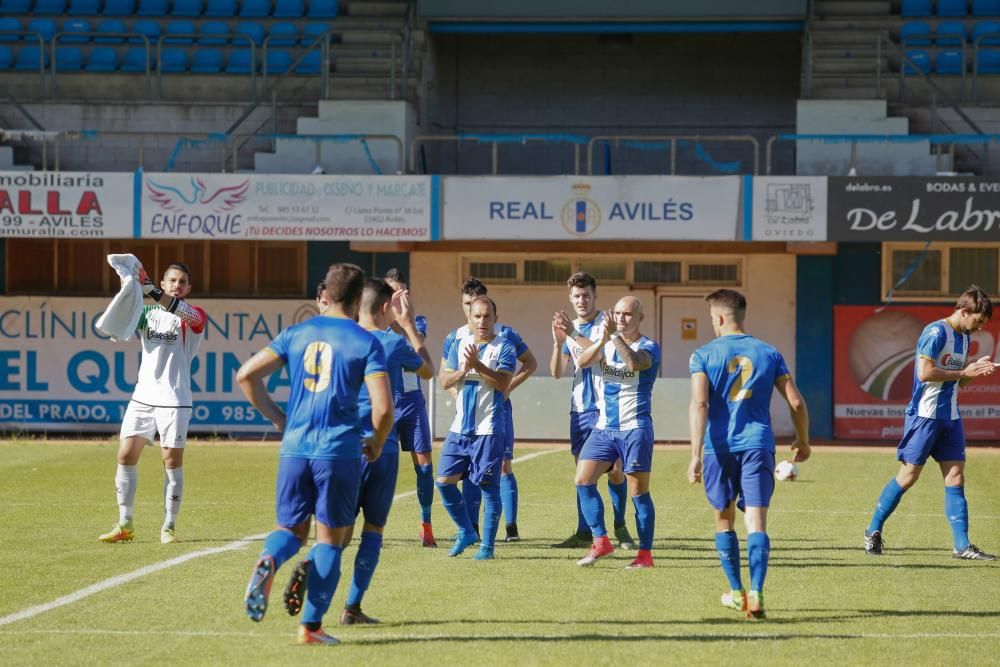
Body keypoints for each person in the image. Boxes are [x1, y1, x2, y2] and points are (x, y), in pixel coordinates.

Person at [237, 263, 393, 646]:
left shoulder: (296, 333)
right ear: (358, 300)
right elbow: (384, 409)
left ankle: (269, 560)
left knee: (289, 531)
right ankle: (310, 627)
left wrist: (278, 418)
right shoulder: (365, 341)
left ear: (327, 294)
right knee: (329, 540)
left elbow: (246, 375)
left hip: (295, 448)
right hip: (338, 452)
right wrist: (374, 440)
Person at [284, 278, 435, 626]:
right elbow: (428, 370)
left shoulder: (339, 339)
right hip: (381, 445)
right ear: (386, 308)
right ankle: (351, 608)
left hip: (342, 447)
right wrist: (409, 324)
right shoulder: (390, 341)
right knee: (373, 531)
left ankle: (313, 569)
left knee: (339, 532)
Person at [687, 289, 811, 620]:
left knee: (724, 519)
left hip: (719, 448)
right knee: (755, 521)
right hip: (758, 444)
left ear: (719, 318)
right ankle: (756, 592)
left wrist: (695, 454)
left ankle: (737, 592)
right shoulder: (769, 352)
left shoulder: (702, 355)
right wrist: (803, 441)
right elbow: (796, 402)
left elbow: (700, 403)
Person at [864, 285, 997, 561]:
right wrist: (963, 370)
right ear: (963, 311)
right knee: (909, 476)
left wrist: (973, 371)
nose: (980, 328)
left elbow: (959, 379)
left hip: (950, 417)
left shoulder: (963, 338)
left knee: (956, 477)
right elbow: (924, 373)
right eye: (978, 321)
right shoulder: (935, 332)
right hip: (925, 416)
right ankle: (872, 530)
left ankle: (962, 546)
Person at [98, 262, 207, 545]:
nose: (177, 285)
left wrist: (151, 289)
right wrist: (129, 286)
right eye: (172, 280)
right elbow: (123, 318)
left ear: (189, 288)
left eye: (183, 282)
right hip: (143, 396)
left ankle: (168, 526)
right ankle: (125, 523)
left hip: (175, 400)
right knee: (125, 456)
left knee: (171, 463)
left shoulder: (193, 316)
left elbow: (180, 310)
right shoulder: (147, 314)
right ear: (165, 281)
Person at [441, 277, 537, 542]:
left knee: (503, 466)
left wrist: (507, 388)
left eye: (478, 304)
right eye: (467, 305)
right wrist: (460, 397)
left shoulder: (505, 335)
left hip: (497, 411)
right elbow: (444, 376)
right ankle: (471, 526)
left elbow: (530, 363)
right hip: (468, 412)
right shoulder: (455, 337)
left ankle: (511, 527)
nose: (474, 312)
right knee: (468, 471)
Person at [550, 272, 636, 550]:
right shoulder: (570, 327)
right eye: (576, 296)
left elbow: (597, 356)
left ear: (595, 295)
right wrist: (557, 342)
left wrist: (573, 335)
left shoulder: (606, 323)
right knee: (582, 474)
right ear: (570, 299)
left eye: (586, 295)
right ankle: (584, 531)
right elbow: (556, 372)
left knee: (615, 471)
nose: (581, 300)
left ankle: (621, 526)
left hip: (607, 406)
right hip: (580, 409)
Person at [574, 296, 660, 569]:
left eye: (627, 314)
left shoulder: (649, 346)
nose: (621, 318)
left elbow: (634, 363)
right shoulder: (608, 342)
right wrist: (601, 340)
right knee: (583, 480)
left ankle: (645, 555)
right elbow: (584, 362)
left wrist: (614, 338)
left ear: (640, 318)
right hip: (604, 429)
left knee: (638, 491)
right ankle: (601, 541)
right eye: (618, 313)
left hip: (635, 428)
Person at [437, 296, 517, 560]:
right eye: (477, 316)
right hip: (460, 428)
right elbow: (444, 380)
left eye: (487, 316)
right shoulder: (457, 344)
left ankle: (487, 548)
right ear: (469, 318)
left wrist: (478, 366)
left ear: (496, 317)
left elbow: (503, 383)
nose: (482, 321)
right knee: (444, 482)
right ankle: (466, 531)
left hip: (489, 429)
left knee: (488, 486)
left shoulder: (504, 347)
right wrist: (462, 372)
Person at [383, 268, 438, 547]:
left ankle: (426, 524)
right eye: (392, 292)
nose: (397, 298)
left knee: (425, 466)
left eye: (401, 292)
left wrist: (405, 317)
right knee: (382, 466)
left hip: (413, 401)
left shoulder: (418, 322)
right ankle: (375, 527)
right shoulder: (374, 328)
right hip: (386, 402)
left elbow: (417, 346)